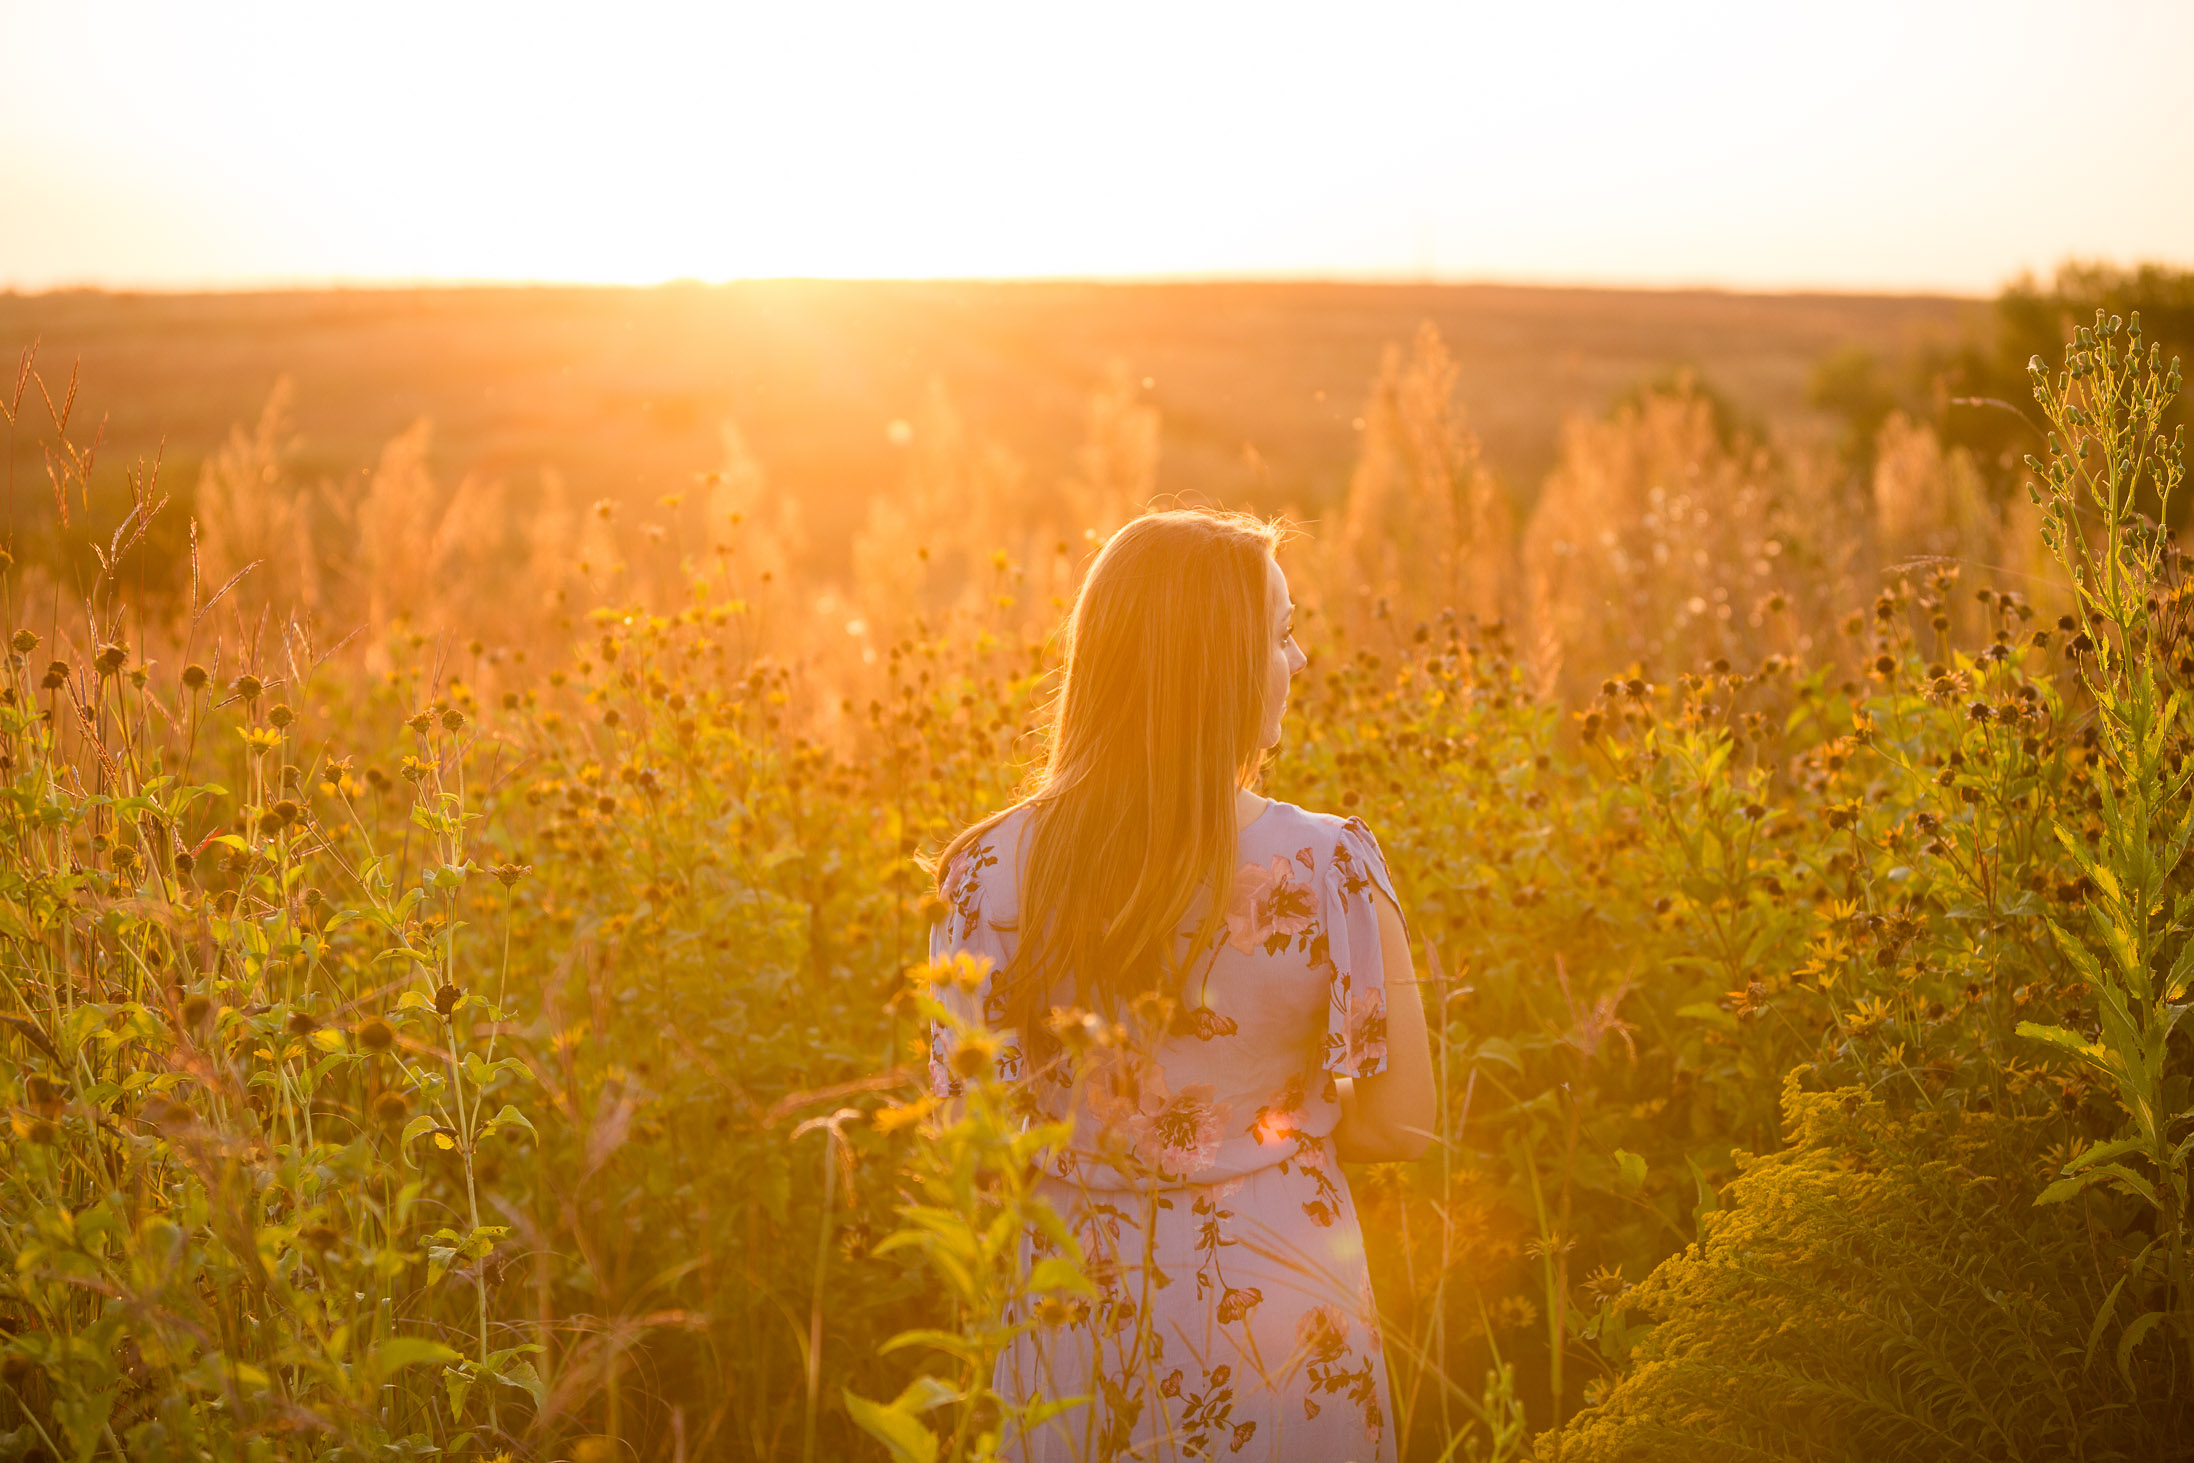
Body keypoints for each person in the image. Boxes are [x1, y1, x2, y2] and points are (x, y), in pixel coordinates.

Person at [929, 508, 1437, 1462]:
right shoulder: (1328, 867)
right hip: (1277, 1317)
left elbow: (967, 1143)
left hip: (1067, 1314)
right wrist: (1260, 1132)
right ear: (1225, 670)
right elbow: (1398, 1121)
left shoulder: (985, 873)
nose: (1302, 660)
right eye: (1283, 634)